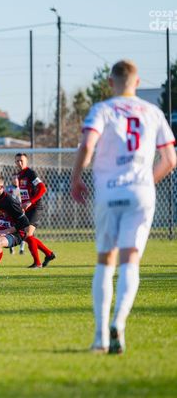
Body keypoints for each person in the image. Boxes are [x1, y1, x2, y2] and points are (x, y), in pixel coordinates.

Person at [71, 60, 176, 354]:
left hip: (109, 192)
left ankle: (100, 337)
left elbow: (87, 146)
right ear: (138, 82)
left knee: (106, 260)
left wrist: (76, 178)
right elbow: (170, 160)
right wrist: (147, 182)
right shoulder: (153, 112)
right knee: (131, 259)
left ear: (110, 82)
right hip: (141, 193)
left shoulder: (103, 110)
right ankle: (119, 321)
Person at [15, 153, 56, 268]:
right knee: (26, 236)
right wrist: (23, 205)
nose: (19, 163)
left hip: (36, 208)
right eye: (17, 161)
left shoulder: (30, 173)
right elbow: (25, 193)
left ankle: (37, 263)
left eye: (21, 160)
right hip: (28, 209)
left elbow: (43, 188)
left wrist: (30, 201)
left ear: (26, 161)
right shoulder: (20, 175)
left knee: (27, 235)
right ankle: (49, 254)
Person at [5, 174, 22, 254]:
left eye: (17, 178)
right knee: (11, 229)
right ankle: (11, 247)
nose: (15, 180)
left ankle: (21, 249)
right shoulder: (8, 189)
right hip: (12, 212)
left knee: (23, 229)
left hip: (21, 211)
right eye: (14, 178)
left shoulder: (23, 188)